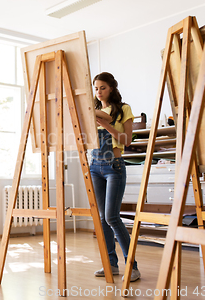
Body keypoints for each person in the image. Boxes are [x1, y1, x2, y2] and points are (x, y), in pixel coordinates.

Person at [90, 72, 140, 282]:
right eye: (96, 88)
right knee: (102, 219)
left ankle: (132, 266)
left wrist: (106, 126)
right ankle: (111, 264)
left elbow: (126, 140)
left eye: (102, 87)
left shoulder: (123, 109)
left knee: (111, 217)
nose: (99, 92)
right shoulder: (93, 111)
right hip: (95, 166)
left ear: (111, 88)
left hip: (114, 166)